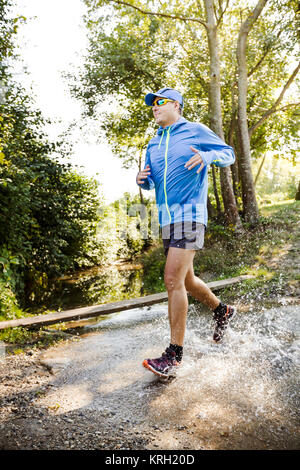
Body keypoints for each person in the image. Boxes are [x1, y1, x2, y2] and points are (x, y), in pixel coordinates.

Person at [136, 87, 236, 378]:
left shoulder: (194, 131)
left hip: (191, 215)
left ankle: (173, 355)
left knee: (171, 280)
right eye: (152, 104)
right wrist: (143, 181)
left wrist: (207, 158)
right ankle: (222, 311)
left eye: (161, 102)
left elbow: (227, 154)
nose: (155, 107)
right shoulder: (153, 144)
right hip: (167, 219)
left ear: (176, 105)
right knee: (187, 280)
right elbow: (153, 182)